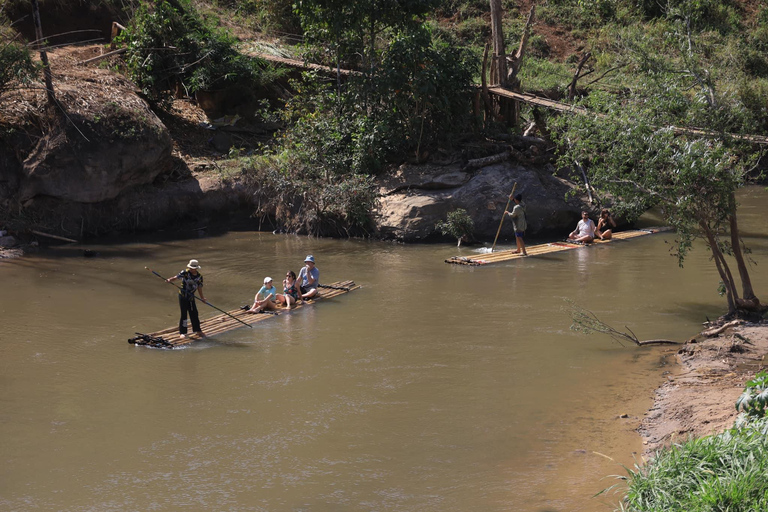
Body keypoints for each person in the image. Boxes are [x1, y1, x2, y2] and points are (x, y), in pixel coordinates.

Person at [166, 259, 206, 339]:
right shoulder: (185, 272)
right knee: (184, 314)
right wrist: (170, 280)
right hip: (183, 296)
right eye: (190, 268)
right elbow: (176, 277)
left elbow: (199, 287)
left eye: (192, 268)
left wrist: (202, 298)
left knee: (194, 313)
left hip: (191, 297)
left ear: (196, 268)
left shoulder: (199, 277)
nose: (191, 269)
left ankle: (198, 330)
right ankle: (183, 332)